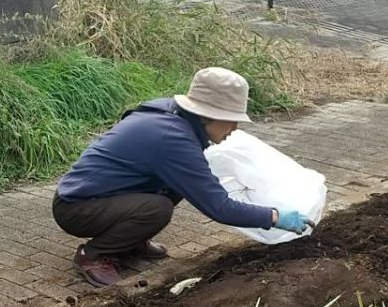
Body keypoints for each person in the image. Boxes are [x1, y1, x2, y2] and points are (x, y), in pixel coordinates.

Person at [53, 67, 309, 287]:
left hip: (102, 194)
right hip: (76, 207)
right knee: (157, 208)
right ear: (209, 114)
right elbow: (219, 208)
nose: (234, 128)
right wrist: (275, 217)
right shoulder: (173, 139)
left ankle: (130, 240)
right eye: (231, 120)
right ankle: (94, 254)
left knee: (177, 186)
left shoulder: (174, 116)